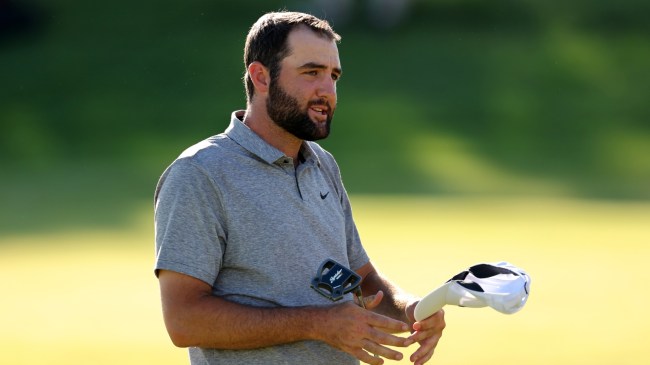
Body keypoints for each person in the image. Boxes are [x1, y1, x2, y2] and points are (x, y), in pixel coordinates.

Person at [154, 11, 445, 365]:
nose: (328, 91)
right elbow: (184, 321)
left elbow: (362, 278)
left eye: (333, 76)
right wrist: (319, 324)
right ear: (261, 77)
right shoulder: (199, 174)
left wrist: (413, 309)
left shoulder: (323, 164)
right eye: (311, 73)